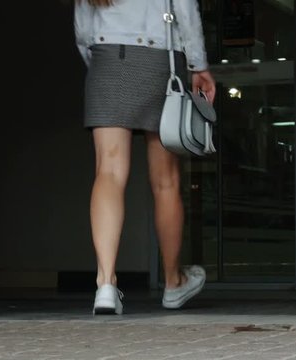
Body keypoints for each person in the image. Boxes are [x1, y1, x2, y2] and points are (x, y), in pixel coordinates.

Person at [74, 0, 216, 315]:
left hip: (106, 59)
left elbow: (83, 31)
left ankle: (106, 284)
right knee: (165, 182)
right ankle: (173, 282)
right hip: (160, 60)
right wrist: (198, 65)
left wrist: (102, 63)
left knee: (108, 173)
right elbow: (184, 9)